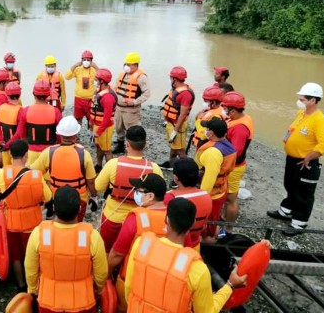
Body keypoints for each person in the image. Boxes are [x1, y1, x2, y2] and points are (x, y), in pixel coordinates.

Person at [124, 198, 248, 313]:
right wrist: (230, 285)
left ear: (166, 219)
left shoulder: (141, 245)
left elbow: (128, 289)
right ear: (193, 223)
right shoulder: (197, 269)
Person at [24, 185, 108, 313]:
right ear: (79, 208)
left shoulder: (38, 234)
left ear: (53, 208)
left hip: (48, 302)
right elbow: (101, 273)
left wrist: (33, 290)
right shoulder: (92, 236)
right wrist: (98, 289)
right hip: (83, 302)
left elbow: (30, 268)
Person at [267, 82, 324, 235]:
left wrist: (310, 157)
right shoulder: (301, 114)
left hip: (305, 163)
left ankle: (299, 223)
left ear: (313, 100)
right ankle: (286, 211)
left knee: (303, 192)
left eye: (302, 100)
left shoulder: (319, 119)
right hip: (292, 159)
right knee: (290, 185)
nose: (299, 102)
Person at [0, 140, 52, 291]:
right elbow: (48, 197)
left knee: (16, 256)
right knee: (33, 256)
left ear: (11, 155)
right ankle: (34, 285)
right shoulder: (36, 175)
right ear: (26, 154)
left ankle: (20, 284)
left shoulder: (1, 174)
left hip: (11, 223)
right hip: (32, 224)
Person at [95, 125, 163, 253]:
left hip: (112, 216)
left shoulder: (113, 164)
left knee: (107, 251)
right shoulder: (154, 168)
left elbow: (98, 187)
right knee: (131, 252)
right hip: (139, 220)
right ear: (145, 144)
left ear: (126, 144)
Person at [108, 173, 167, 312]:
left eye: (139, 191)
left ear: (151, 196)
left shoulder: (135, 219)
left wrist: (107, 274)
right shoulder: (174, 218)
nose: (135, 193)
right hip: (162, 282)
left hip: (132, 281)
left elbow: (117, 254)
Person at [31, 116, 97, 222]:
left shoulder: (49, 152)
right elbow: (91, 181)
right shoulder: (84, 154)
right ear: (75, 136)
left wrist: (44, 192)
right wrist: (94, 196)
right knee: (77, 224)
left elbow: (33, 172)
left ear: (60, 135)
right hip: (79, 198)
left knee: (59, 223)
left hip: (57, 197)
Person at [194, 117, 237, 240]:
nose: (205, 130)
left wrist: (201, 198)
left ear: (211, 133)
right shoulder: (228, 146)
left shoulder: (213, 152)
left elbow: (209, 179)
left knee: (207, 225)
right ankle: (216, 235)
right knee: (214, 219)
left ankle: (209, 241)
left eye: (207, 128)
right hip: (222, 188)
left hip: (212, 194)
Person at [220, 91, 254, 238]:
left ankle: (228, 230)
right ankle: (223, 218)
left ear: (232, 110)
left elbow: (236, 152)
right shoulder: (243, 118)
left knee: (230, 199)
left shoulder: (240, 128)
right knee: (226, 197)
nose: (224, 110)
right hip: (233, 166)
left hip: (234, 167)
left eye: (226, 108)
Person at [164, 158, 212, 251]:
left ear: (176, 178)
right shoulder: (207, 196)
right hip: (195, 246)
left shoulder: (170, 197)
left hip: (175, 246)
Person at [14, 80, 62, 165]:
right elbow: (59, 135)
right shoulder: (56, 112)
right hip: (49, 152)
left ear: (34, 94)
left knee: (31, 175)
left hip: (31, 151)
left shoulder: (25, 111)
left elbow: (21, 133)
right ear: (48, 95)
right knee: (48, 177)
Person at [112, 52, 150, 154]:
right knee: (118, 128)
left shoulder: (141, 77)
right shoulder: (122, 75)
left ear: (135, 65)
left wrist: (134, 102)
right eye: (126, 64)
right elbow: (116, 88)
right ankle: (120, 146)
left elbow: (146, 94)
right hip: (119, 108)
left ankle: (134, 150)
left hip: (131, 110)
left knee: (132, 130)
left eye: (129, 64)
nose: (126, 66)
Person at [161, 66, 195, 168]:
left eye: (171, 77)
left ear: (174, 79)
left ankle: (186, 169)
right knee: (174, 146)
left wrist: (175, 130)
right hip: (172, 122)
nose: (170, 79)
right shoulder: (177, 88)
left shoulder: (185, 94)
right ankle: (171, 164)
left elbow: (183, 113)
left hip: (177, 125)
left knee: (180, 150)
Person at [90, 68, 117, 171]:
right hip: (97, 124)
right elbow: (94, 109)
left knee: (106, 150)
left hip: (104, 127)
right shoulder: (99, 92)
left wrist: (99, 131)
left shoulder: (108, 97)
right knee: (98, 146)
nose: (95, 81)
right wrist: (92, 123)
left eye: (96, 79)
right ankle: (99, 165)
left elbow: (107, 117)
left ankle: (111, 171)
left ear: (102, 81)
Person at [65, 50, 98, 127]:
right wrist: (74, 66)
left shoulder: (94, 70)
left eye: (88, 60)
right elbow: (67, 77)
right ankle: (77, 133)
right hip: (78, 98)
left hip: (90, 99)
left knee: (91, 118)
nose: (86, 61)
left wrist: (96, 67)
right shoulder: (77, 69)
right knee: (77, 118)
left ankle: (91, 134)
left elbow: (102, 77)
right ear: (81, 60)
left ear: (91, 61)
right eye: (84, 60)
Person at [0, 82, 24, 166]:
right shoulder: (21, 111)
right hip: (16, 149)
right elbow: (19, 133)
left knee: (7, 170)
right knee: (17, 170)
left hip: (4, 146)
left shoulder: (0, 108)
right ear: (19, 94)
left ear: (7, 95)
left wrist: (1, 142)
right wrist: (9, 144)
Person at [191, 85, 227, 150]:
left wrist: (198, 120)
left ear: (214, 102)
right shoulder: (210, 109)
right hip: (201, 144)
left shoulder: (216, 117)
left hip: (205, 145)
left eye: (206, 101)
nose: (204, 103)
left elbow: (204, 135)